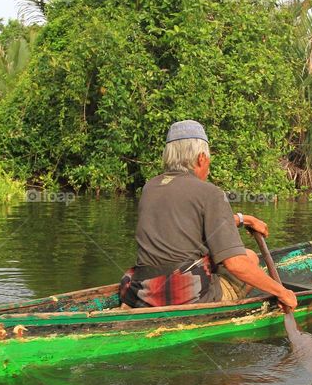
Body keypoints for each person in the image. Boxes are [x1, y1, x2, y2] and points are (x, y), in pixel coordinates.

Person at [119, 120, 298, 310]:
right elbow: (236, 264)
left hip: (141, 292)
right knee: (250, 258)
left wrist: (245, 219)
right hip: (185, 296)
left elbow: (190, 224)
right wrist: (282, 292)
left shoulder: (150, 187)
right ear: (201, 158)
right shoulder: (210, 193)